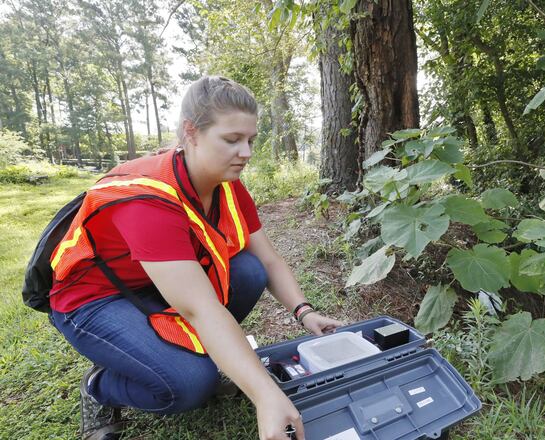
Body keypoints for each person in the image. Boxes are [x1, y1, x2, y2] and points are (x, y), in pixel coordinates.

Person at [48, 75, 342, 440]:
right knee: (188, 383)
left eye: (250, 140)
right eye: (232, 140)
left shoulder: (228, 184)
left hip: (159, 286)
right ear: (191, 132)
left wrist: (305, 311)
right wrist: (267, 396)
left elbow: (267, 260)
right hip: (94, 301)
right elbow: (198, 308)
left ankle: (189, 350)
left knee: (248, 271)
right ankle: (100, 386)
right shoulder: (148, 198)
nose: (246, 153)